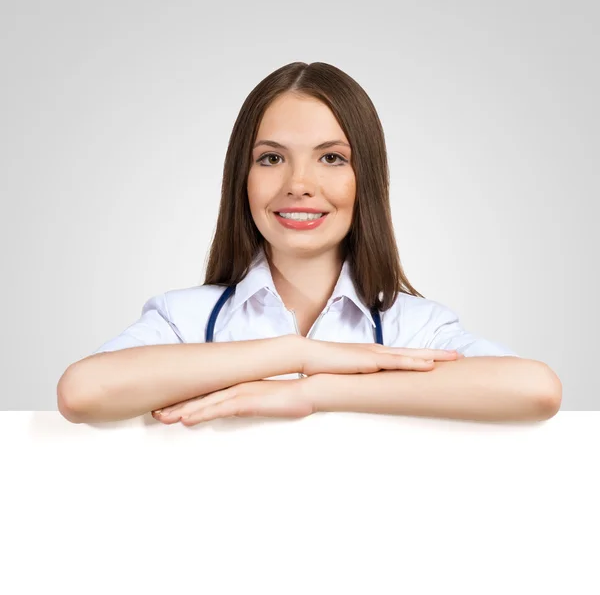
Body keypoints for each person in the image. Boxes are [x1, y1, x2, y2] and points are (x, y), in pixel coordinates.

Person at [56, 62, 562, 425]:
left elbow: (535, 390)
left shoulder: (417, 328)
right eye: (272, 158)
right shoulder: (184, 319)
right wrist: (297, 353)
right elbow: (83, 393)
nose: (299, 184)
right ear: (243, 178)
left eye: (332, 158)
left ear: (366, 179)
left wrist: (314, 391)